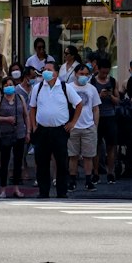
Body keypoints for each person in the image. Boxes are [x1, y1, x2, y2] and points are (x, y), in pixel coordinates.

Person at [28, 58, 80, 199]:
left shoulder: (65, 87)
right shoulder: (37, 88)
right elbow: (32, 108)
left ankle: (61, 192)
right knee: (42, 162)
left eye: (49, 70)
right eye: (44, 70)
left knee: (62, 162)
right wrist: (33, 126)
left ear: (56, 73)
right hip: (42, 130)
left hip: (60, 130)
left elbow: (79, 104)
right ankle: (43, 191)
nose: (46, 72)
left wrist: (72, 123)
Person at [0, 69, 29, 199]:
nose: (9, 87)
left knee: (18, 162)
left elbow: (25, 115)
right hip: (5, 134)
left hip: (19, 133)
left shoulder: (20, 98)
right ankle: (3, 189)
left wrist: (28, 131)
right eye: (6, 85)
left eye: (11, 85)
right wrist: (5, 119)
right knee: (5, 162)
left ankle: (16, 188)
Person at [68, 63, 101, 191]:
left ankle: (88, 180)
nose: (84, 76)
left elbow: (96, 109)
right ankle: (72, 180)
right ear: (75, 74)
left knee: (89, 156)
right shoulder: (69, 88)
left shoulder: (92, 89)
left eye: (87, 74)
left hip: (88, 127)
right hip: (73, 127)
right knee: (73, 156)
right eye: (81, 74)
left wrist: (94, 126)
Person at [92, 57, 119, 184]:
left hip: (110, 116)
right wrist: (99, 95)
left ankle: (110, 172)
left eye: (106, 73)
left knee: (111, 146)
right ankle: (96, 172)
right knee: (96, 146)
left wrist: (110, 96)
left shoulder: (113, 81)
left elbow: (118, 100)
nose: (104, 75)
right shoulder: (92, 81)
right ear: (98, 70)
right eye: (102, 73)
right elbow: (89, 99)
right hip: (97, 117)